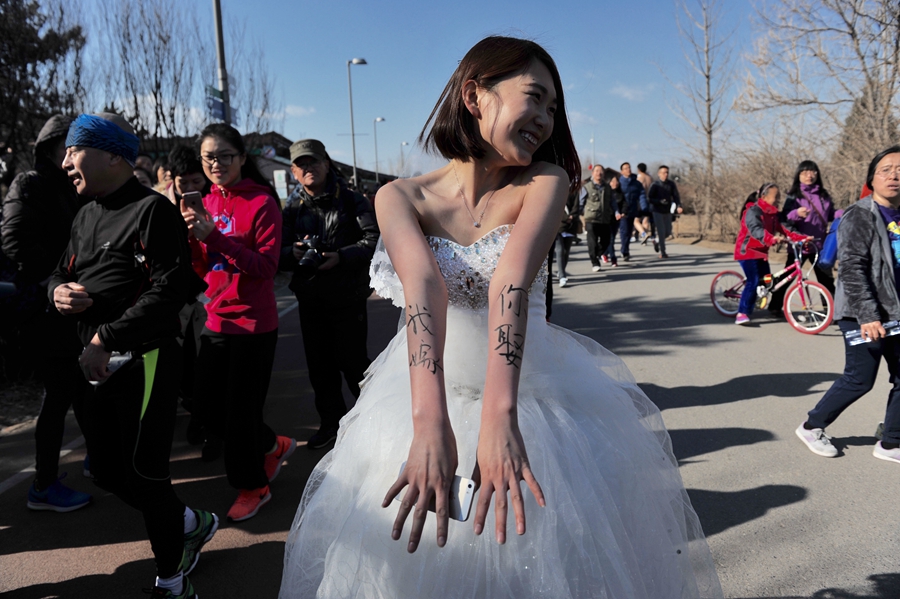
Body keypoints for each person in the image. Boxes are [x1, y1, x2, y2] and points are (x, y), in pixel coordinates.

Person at [280, 35, 721, 599]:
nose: (543, 118)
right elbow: (423, 294)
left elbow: (508, 286)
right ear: (474, 95)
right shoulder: (398, 197)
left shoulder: (544, 182)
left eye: (553, 109)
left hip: (533, 401)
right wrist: (428, 425)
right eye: (534, 97)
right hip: (421, 396)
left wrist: (498, 416)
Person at [50, 112, 217, 599]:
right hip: (93, 365)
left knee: (146, 473)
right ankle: (189, 521)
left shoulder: (152, 211)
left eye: (73, 151)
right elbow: (59, 272)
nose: (65, 164)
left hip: (145, 361)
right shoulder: (84, 213)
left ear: (111, 156)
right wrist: (57, 292)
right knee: (104, 470)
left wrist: (106, 335)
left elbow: (173, 288)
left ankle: (172, 579)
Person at [182, 123, 295, 522]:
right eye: (208, 157)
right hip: (215, 319)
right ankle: (271, 445)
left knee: (239, 414)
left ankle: (254, 486)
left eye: (224, 156)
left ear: (242, 158)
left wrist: (215, 238)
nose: (216, 164)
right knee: (207, 411)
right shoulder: (205, 202)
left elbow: (266, 267)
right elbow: (204, 268)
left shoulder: (262, 203)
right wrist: (193, 240)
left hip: (253, 325)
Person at [1, 115, 92, 512]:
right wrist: (53, 280)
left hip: (72, 308)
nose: (72, 157)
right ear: (49, 149)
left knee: (82, 388)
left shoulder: (74, 188)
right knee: (60, 394)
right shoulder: (29, 183)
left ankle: (93, 461)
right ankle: (43, 484)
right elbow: (13, 241)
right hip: (46, 310)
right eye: (66, 149)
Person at [796, 146, 900, 463]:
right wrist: (868, 315)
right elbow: (852, 269)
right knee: (859, 379)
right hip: (861, 314)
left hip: (895, 311)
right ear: (872, 177)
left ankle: (892, 441)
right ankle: (812, 426)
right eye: (886, 169)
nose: (895, 174)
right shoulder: (860, 214)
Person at [279, 138, 379, 449]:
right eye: (301, 164)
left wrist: (342, 256)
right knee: (320, 368)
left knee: (354, 364)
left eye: (313, 161)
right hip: (310, 298)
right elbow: (276, 252)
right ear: (294, 172)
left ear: (326, 163)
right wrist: (291, 253)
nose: (308, 168)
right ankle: (331, 425)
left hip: (347, 297)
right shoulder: (291, 209)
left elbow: (374, 240)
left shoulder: (352, 201)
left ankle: (372, 422)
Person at [165, 145, 212, 448]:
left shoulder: (214, 203)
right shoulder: (157, 206)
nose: (193, 189)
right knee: (180, 364)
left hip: (208, 293)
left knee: (205, 361)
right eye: (185, 184)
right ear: (172, 180)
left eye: (198, 182)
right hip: (175, 297)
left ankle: (204, 425)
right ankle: (193, 411)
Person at [733, 183, 811, 325]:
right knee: (754, 281)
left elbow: (786, 229)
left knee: (767, 282)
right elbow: (755, 229)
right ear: (764, 196)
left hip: (762, 252)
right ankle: (742, 312)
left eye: (779, 197)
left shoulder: (774, 214)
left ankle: (754, 299)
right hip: (747, 252)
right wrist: (771, 238)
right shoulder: (753, 211)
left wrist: (803, 238)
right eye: (776, 197)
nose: (778, 200)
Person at [770, 160, 838, 312]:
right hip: (799, 245)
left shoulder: (823, 195)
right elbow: (784, 218)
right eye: (804, 172)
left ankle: (831, 312)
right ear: (798, 175)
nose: (809, 175)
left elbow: (830, 214)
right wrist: (796, 214)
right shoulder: (794, 196)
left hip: (820, 245)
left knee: (826, 280)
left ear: (817, 174)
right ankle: (774, 306)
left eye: (812, 172)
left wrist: (841, 213)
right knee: (788, 277)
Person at [582, 164, 616, 271]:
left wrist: (616, 212)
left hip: (605, 218)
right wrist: (579, 216)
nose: (599, 173)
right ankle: (595, 262)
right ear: (592, 173)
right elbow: (580, 202)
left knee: (606, 240)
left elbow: (612, 202)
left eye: (601, 171)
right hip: (591, 218)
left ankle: (597, 253)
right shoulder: (587, 187)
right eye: (596, 171)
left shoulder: (607, 187)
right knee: (592, 241)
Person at [648, 165, 683, 259]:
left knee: (668, 232)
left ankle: (657, 243)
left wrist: (679, 206)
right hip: (657, 211)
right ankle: (663, 252)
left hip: (667, 211)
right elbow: (650, 198)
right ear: (659, 174)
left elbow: (676, 196)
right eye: (663, 172)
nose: (665, 174)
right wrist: (658, 201)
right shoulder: (655, 185)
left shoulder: (671, 184)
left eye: (667, 172)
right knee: (661, 231)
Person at [554, 188, 581, 287]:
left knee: (566, 251)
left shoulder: (573, 190)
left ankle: (561, 270)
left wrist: (572, 217)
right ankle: (562, 276)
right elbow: (554, 206)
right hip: (558, 224)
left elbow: (576, 205)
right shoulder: (556, 189)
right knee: (560, 250)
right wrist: (565, 218)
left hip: (571, 225)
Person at [618, 162, 644, 260]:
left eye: (629, 167)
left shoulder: (636, 183)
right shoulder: (619, 182)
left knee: (629, 232)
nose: (628, 169)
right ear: (622, 171)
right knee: (624, 231)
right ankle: (624, 251)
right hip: (622, 211)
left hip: (632, 210)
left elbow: (641, 194)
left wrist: (643, 206)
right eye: (625, 168)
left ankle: (625, 250)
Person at [635, 162, 654, 243]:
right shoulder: (650, 178)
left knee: (636, 221)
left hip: (641, 200)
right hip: (650, 200)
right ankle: (644, 237)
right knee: (646, 220)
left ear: (639, 169)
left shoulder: (639, 178)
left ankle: (643, 234)